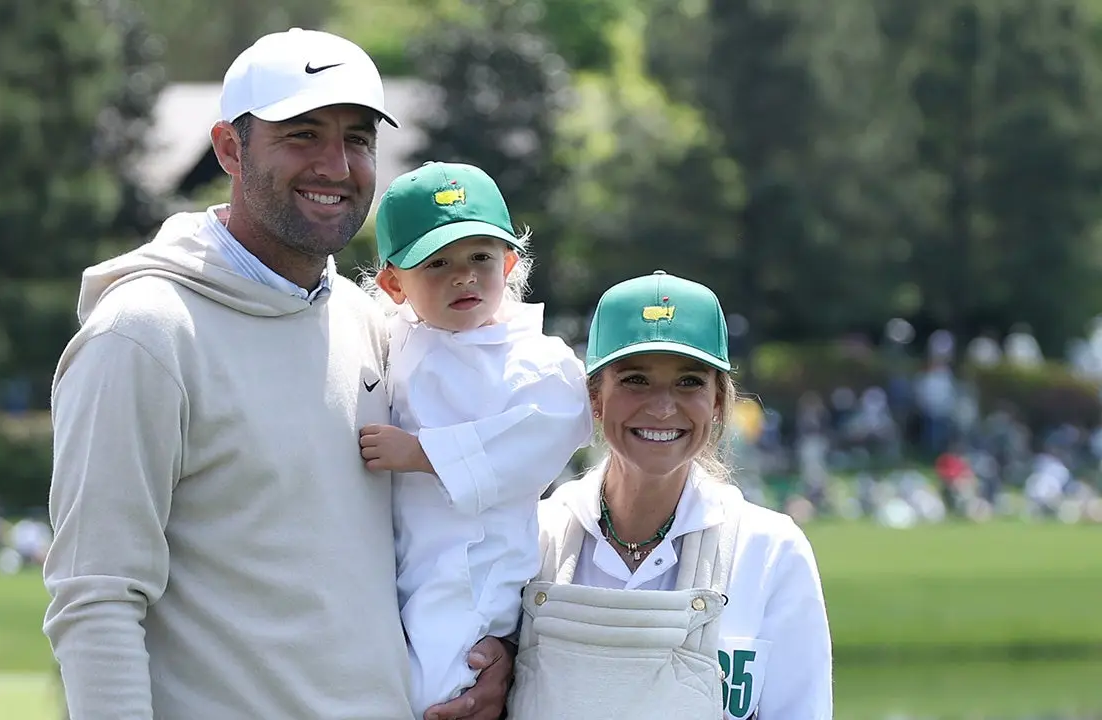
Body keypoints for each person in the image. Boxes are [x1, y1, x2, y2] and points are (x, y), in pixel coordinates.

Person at [42, 28, 512, 720]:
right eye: (302, 134)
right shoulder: (142, 335)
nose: (336, 164)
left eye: (357, 138)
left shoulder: (371, 324)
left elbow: (438, 528)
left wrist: (488, 648)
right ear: (230, 148)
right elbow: (96, 596)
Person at [508, 271, 834, 719]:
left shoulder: (770, 550)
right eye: (635, 380)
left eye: (689, 382)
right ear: (595, 396)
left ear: (719, 402)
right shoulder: (533, 534)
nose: (662, 407)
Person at [357, 162, 593, 718]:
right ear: (394, 284)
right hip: (404, 559)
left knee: (441, 686)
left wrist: (423, 454)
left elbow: (547, 431)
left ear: (509, 264)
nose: (463, 277)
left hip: (474, 570)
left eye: (480, 258)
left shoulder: (538, 361)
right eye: (437, 263)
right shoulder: (392, 339)